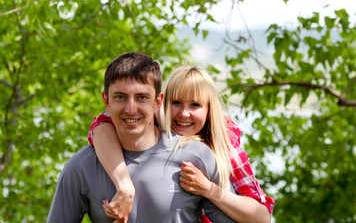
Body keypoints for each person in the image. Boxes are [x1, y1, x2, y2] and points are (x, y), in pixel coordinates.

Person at [47, 52, 237, 223]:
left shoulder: (197, 158)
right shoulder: (81, 167)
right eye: (120, 97)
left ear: (158, 102)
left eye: (141, 97)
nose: (131, 109)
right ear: (106, 101)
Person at [89, 65, 275, 223]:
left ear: (209, 109)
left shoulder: (223, 139)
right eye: (176, 103)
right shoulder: (150, 121)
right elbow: (100, 125)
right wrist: (124, 186)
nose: (184, 114)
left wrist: (209, 189)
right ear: (161, 104)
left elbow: (262, 217)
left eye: (195, 105)